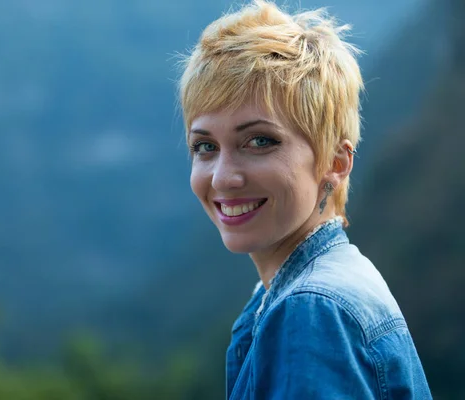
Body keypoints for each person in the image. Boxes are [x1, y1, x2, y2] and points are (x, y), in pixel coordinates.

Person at [177, 1, 432, 398]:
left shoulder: (312, 310)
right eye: (205, 146)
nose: (224, 177)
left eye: (260, 141)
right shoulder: (302, 291)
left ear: (336, 162)